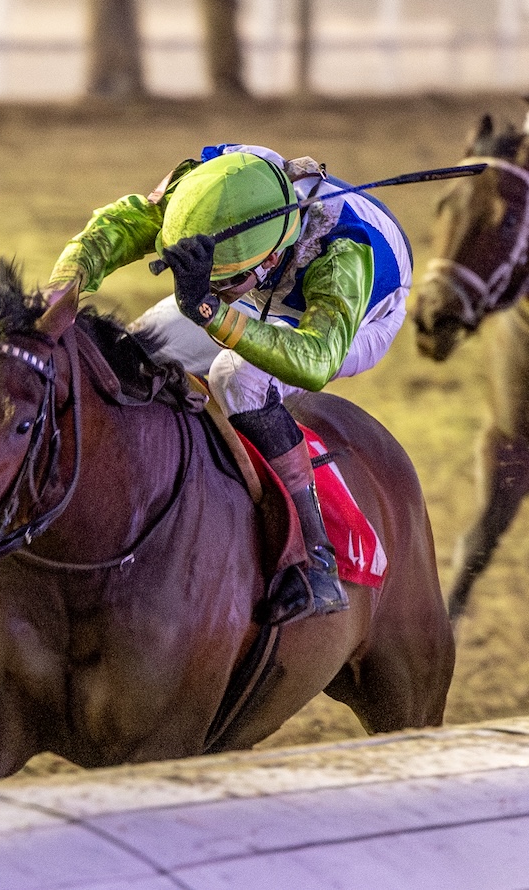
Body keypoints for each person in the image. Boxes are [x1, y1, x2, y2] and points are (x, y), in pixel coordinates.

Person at [48, 144, 413, 623]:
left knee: (236, 377)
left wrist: (211, 310)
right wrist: (62, 287)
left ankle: (316, 556)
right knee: (133, 351)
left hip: (352, 319)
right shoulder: (205, 190)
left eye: (222, 282)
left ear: (269, 260)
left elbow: (314, 360)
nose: (215, 289)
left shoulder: (342, 254)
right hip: (255, 288)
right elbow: (122, 223)